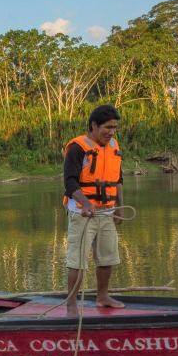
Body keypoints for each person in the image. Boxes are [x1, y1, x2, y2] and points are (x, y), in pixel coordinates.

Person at [63, 104, 125, 311]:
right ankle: (71, 303)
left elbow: (118, 180)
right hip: (82, 214)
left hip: (106, 213)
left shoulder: (114, 146)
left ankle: (103, 297)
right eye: (107, 127)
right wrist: (87, 203)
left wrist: (120, 206)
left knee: (107, 258)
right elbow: (70, 183)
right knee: (77, 261)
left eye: (114, 127)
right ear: (94, 125)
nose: (111, 132)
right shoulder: (77, 148)